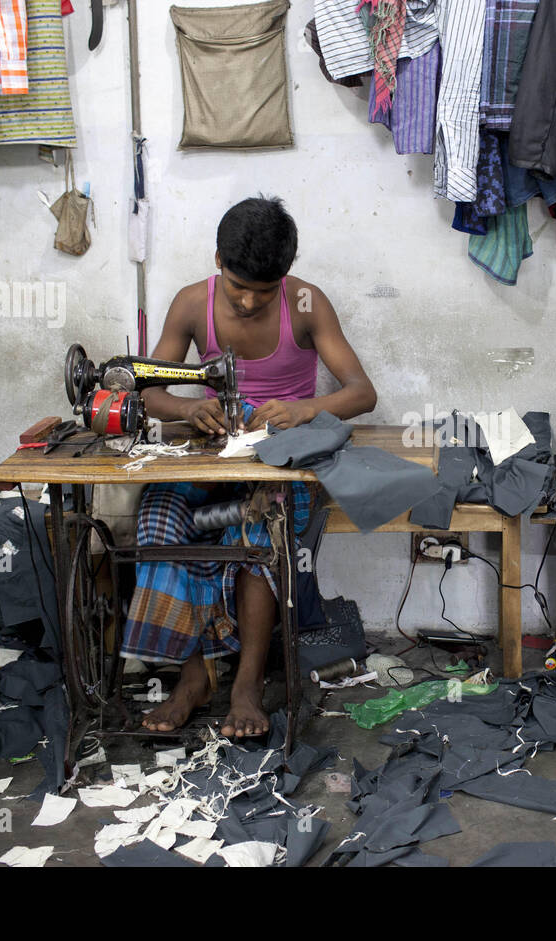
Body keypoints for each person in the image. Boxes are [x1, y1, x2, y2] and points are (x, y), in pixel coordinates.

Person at [122, 197, 376, 738]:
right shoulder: (193, 304)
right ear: (218, 260)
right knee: (158, 519)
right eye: (239, 286)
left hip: (278, 465)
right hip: (209, 457)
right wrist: (191, 406)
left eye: (264, 291)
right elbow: (147, 394)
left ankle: (246, 684)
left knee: (260, 525)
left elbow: (361, 393)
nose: (248, 300)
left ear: (284, 278)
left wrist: (307, 408)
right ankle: (193, 678)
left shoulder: (307, 304)